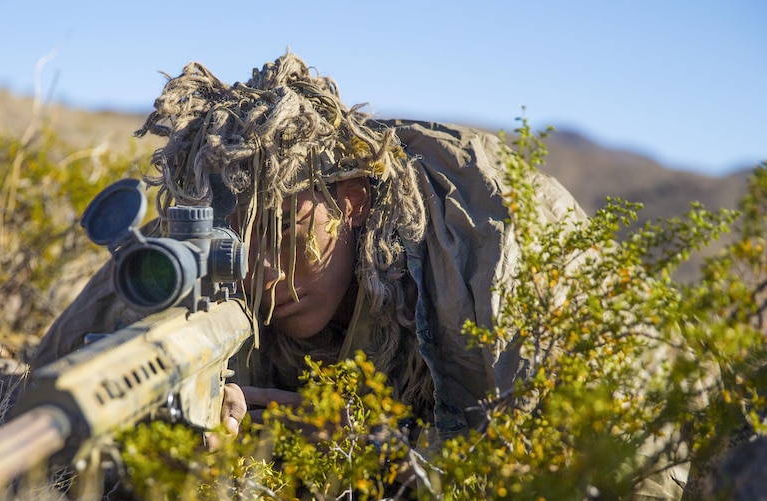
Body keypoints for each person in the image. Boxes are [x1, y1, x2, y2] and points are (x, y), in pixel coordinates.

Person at [30, 52, 584, 446]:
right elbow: (43, 398)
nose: (264, 278)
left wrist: (314, 429)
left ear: (353, 201)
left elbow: (552, 465)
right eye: (239, 249)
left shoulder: (485, 241)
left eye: (287, 236)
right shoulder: (191, 245)